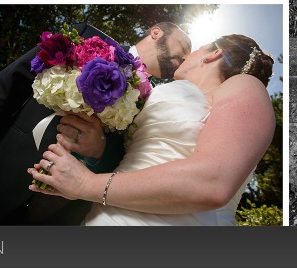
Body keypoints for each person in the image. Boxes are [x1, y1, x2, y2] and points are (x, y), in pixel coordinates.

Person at [28, 35, 276, 226]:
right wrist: (97, 150)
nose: (187, 56)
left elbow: (214, 181)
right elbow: (138, 160)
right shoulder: (156, 92)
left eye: (198, 48)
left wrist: (86, 183)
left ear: (213, 54)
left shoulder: (246, 86)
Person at [0, 22, 192, 224]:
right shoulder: (88, 38)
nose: (184, 60)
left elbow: (129, 157)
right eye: (183, 49)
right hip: (2, 171)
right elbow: (13, 82)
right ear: (156, 32)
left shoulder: (153, 101)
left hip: (55, 212)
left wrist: (101, 150)